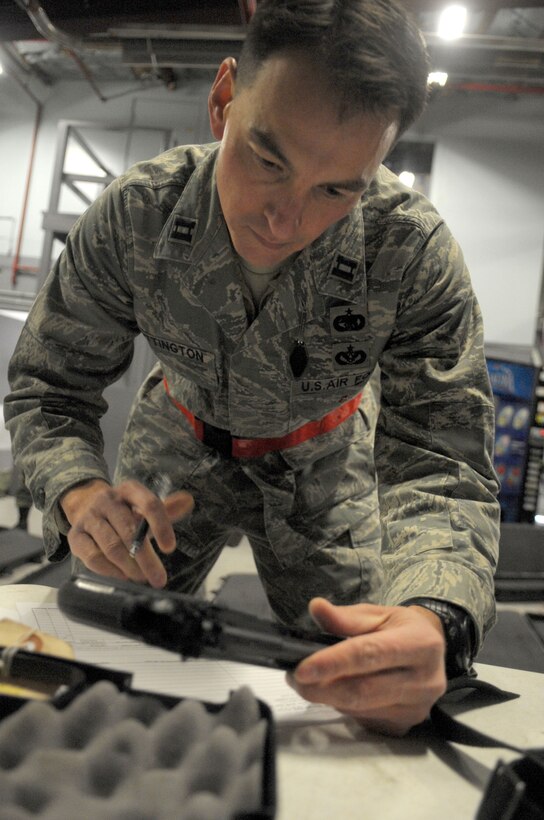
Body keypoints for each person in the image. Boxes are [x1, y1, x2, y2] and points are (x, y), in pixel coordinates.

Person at [5, 0, 500, 736]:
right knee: (93, 659)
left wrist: (435, 617)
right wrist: (78, 492)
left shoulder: (410, 251)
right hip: (172, 454)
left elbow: (442, 460)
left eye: (338, 189)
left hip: (326, 468)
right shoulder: (139, 214)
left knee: (367, 682)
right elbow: (50, 384)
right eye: (269, 160)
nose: (286, 219)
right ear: (223, 98)